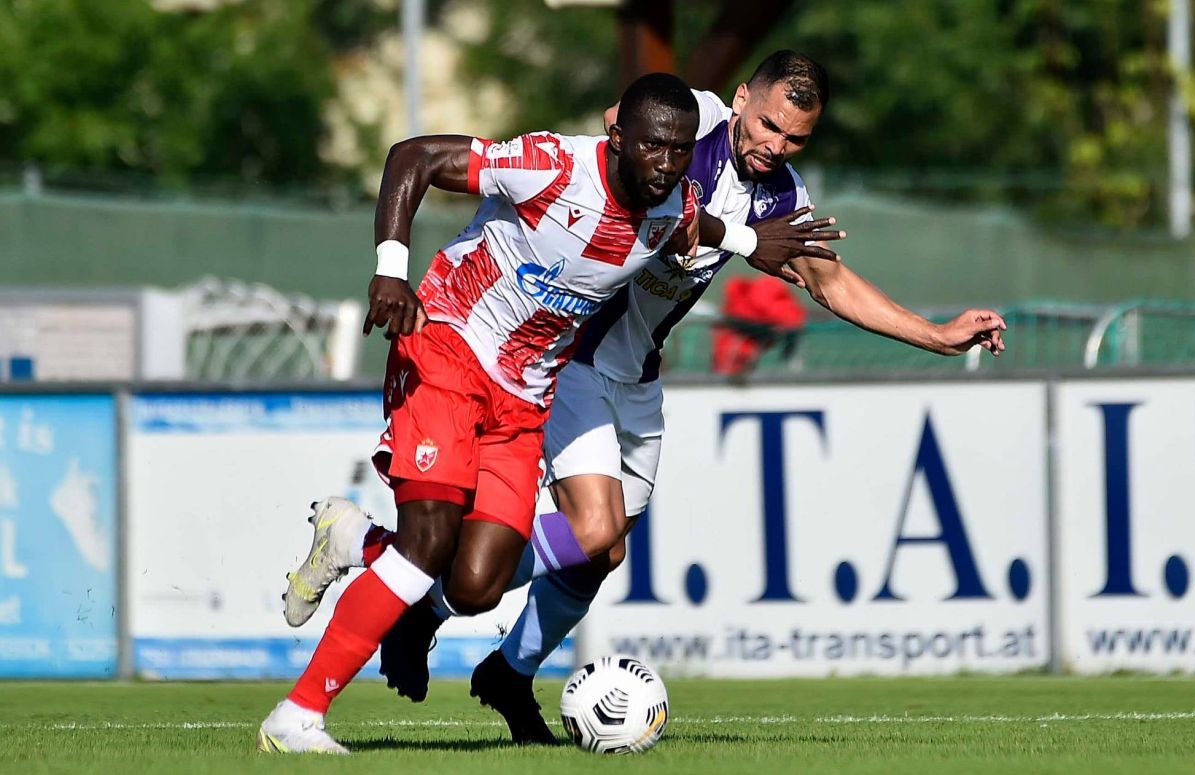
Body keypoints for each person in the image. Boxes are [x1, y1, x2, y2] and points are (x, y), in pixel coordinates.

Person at [371, 51, 1008, 745]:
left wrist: (939, 335)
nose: (776, 145)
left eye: (795, 138)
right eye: (767, 124)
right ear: (741, 98)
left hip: (638, 378)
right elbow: (619, 121)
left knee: (602, 554)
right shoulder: (693, 124)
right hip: (574, 357)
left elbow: (829, 282)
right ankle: (426, 598)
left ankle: (508, 670)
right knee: (592, 528)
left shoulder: (778, 195)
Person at [258, 72, 834, 755]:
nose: (668, 164)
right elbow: (411, 156)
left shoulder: (670, 200)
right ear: (616, 136)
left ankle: (353, 539)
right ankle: (295, 716)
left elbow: (694, 220)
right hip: (449, 343)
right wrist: (390, 269)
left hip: (525, 393)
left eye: (681, 153)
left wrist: (745, 243)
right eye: (653, 147)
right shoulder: (551, 166)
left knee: (475, 586)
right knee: (429, 542)